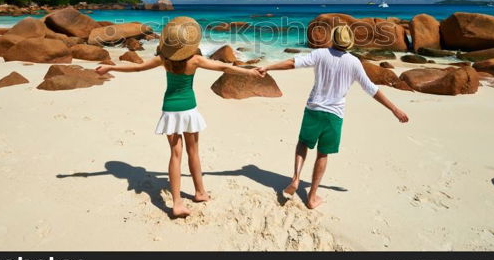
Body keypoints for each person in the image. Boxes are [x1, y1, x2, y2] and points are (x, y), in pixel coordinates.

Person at [96, 16, 264, 218]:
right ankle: (200, 192)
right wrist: (250, 73)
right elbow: (224, 67)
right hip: (188, 109)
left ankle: (176, 203)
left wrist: (110, 67)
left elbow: (138, 68)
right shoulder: (195, 60)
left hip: (169, 110)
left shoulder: (163, 59)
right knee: (193, 152)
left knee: (175, 155)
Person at [259, 24, 409, 209]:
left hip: (314, 109)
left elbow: (293, 63)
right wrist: (394, 109)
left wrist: (268, 67)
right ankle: (312, 197)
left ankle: (296, 179)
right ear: (350, 42)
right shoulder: (354, 62)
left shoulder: (321, 54)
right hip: (334, 115)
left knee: (303, 143)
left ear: (333, 38)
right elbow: (371, 89)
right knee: (323, 154)